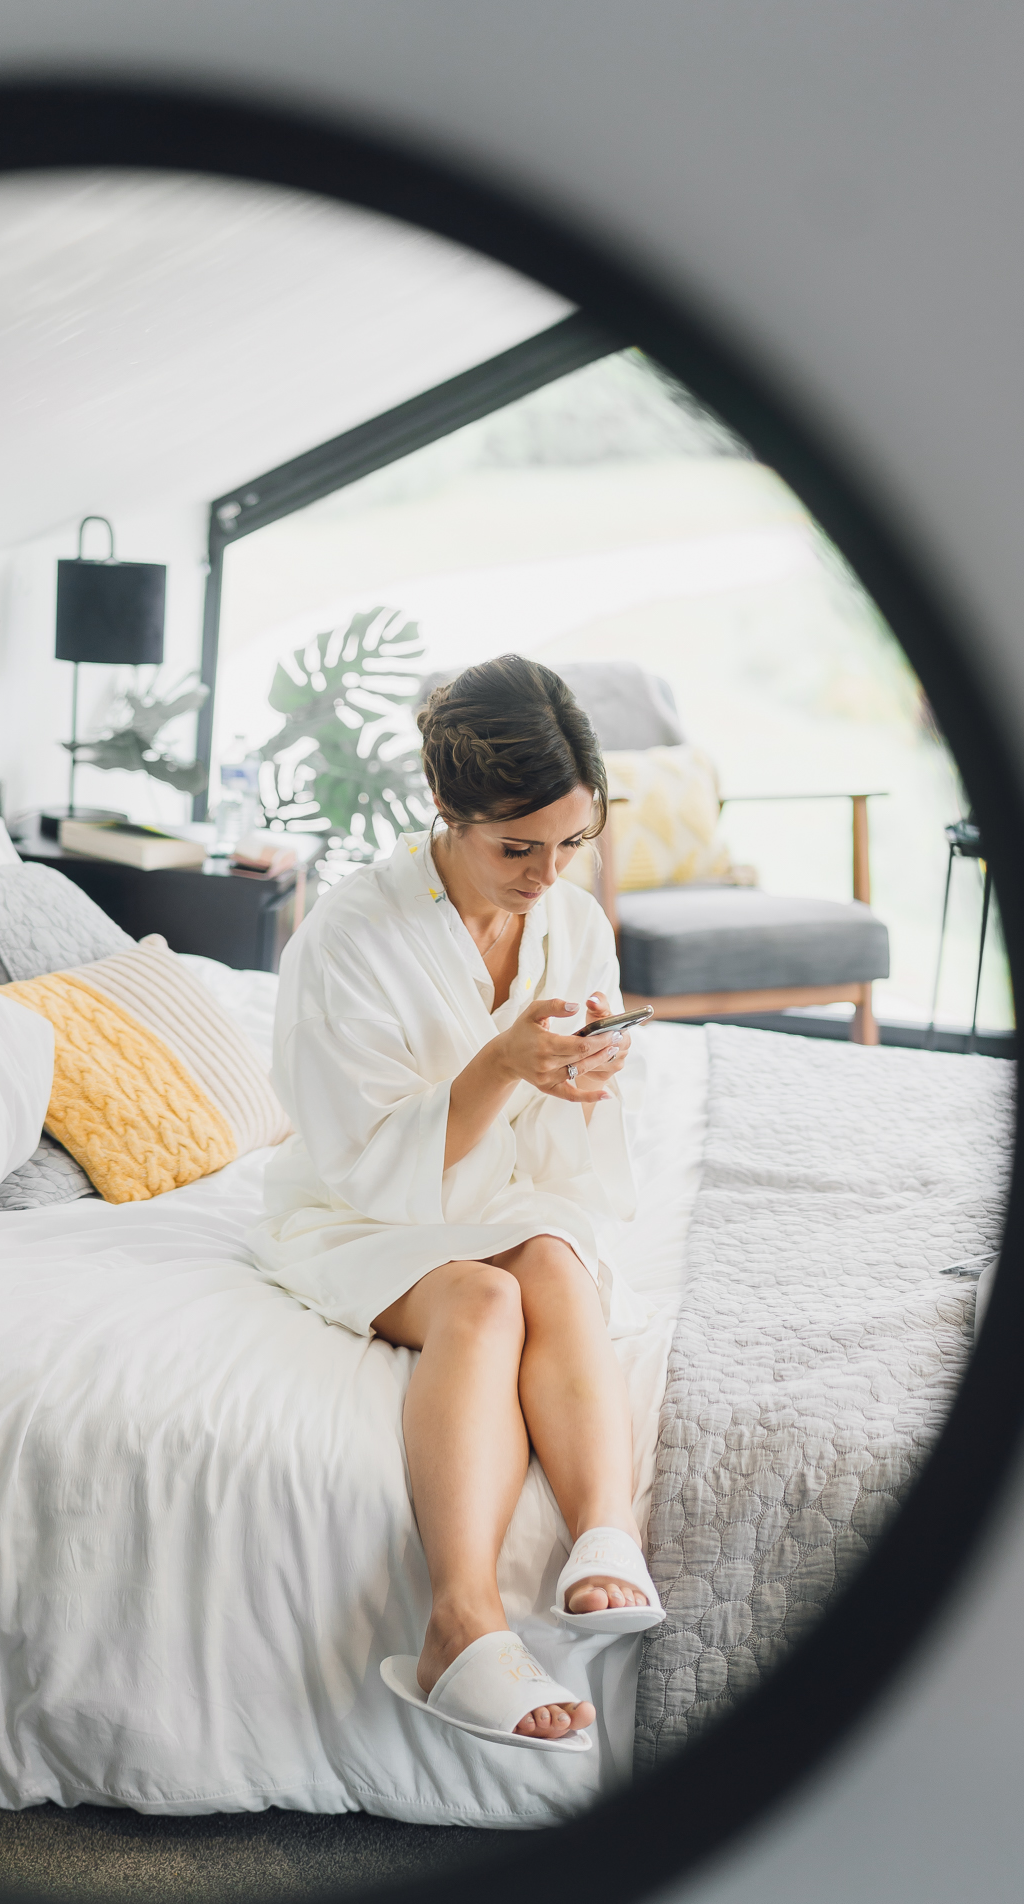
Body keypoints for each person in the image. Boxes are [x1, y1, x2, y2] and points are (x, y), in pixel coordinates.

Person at [250, 655, 663, 1749]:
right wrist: (500, 1066)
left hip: (501, 1190)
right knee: (484, 1300)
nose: (547, 874)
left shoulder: (570, 919)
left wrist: (579, 1078)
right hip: (356, 1209)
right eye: (517, 847)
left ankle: (604, 1532)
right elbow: (361, 1159)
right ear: (446, 809)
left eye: (573, 843)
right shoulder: (350, 936)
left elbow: (568, 1138)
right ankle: (459, 1620)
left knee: (555, 1258)